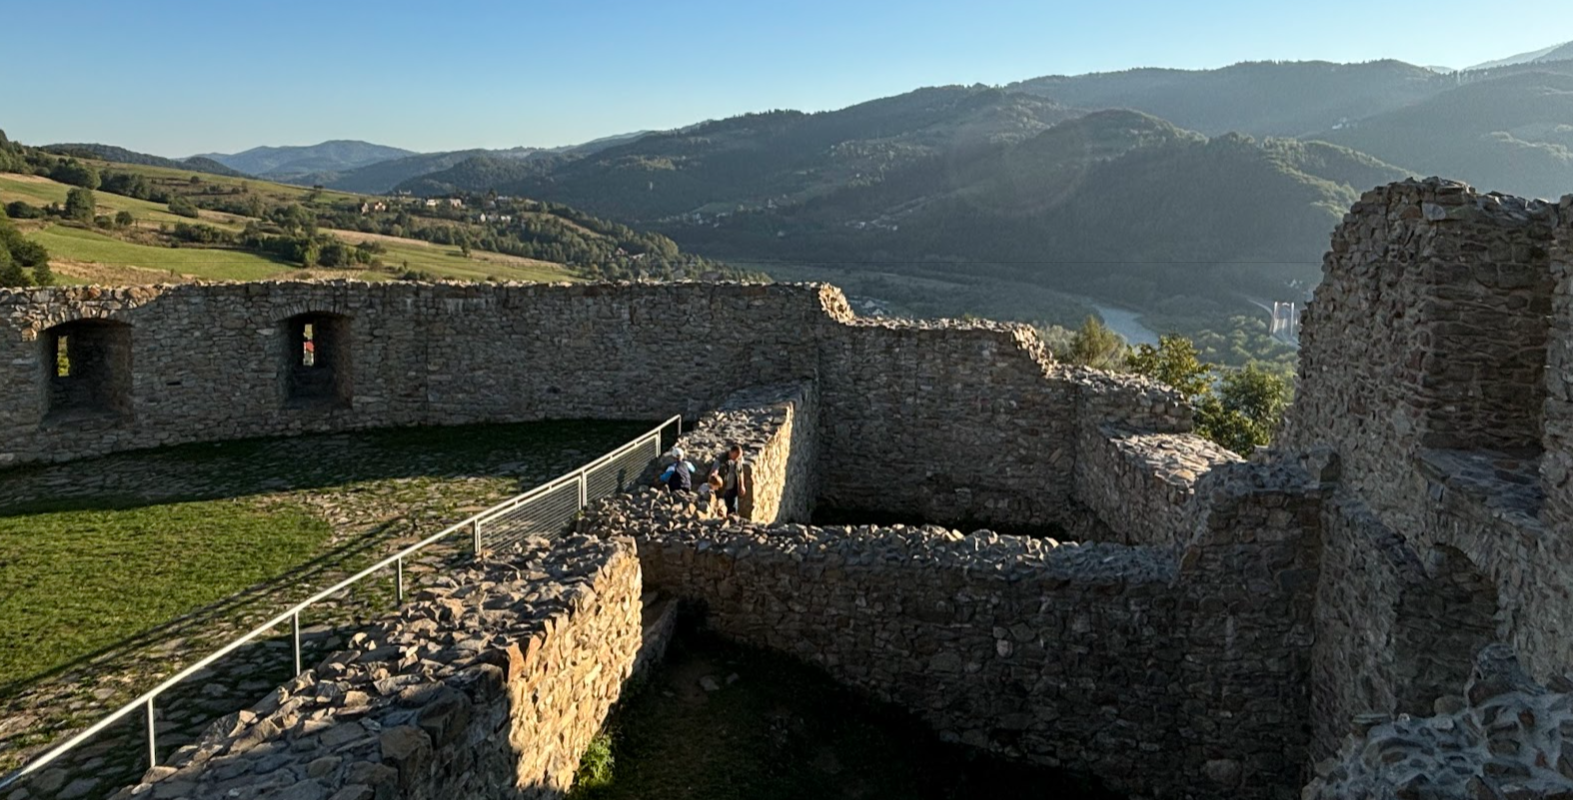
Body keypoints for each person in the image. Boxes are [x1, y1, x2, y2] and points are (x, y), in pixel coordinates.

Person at [710, 443, 748, 516]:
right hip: (723, 489)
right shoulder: (722, 459)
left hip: (733, 488)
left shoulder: (738, 460)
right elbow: (715, 469)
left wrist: (742, 485)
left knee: (733, 509)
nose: (736, 458)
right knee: (721, 508)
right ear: (731, 452)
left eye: (738, 457)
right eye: (735, 456)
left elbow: (740, 472)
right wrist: (714, 475)